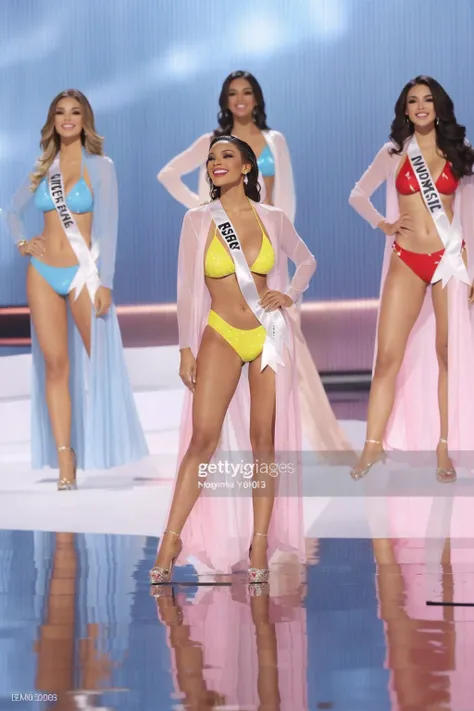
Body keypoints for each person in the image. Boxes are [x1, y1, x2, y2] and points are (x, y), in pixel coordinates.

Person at [149, 135, 317, 584]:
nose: (216, 163)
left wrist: (291, 293)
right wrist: (187, 348)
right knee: (203, 439)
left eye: (226, 156)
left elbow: (306, 261)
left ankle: (259, 542)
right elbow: (188, 288)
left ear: (247, 167)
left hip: (268, 333)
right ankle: (170, 538)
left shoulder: (273, 218)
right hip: (221, 331)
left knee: (265, 441)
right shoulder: (198, 220)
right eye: (211, 159)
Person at [158, 69, 351, 456]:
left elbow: (286, 201)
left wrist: (283, 258)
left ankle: (303, 442)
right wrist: (203, 210)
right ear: (225, 101)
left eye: (247, 92)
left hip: (267, 257)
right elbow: (168, 175)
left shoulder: (274, 141)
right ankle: (226, 450)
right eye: (233, 93)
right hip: (224, 254)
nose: (240, 99)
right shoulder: (212, 143)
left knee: (284, 351)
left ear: (257, 98)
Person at [6, 89, 148, 489]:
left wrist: (107, 282)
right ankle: (66, 460)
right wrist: (22, 241)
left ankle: (109, 444)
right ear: (52, 120)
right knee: (55, 367)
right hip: (42, 271)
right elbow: (11, 210)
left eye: (75, 112)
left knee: (100, 359)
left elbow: (110, 228)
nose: (67, 118)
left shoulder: (101, 167)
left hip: (83, 274)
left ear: (86, 119)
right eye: (60, 112)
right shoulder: (42, 166)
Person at [349, 75, 474, 481]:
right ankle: (372, 446)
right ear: (405, 109)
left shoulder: (458, 154)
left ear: (439, 107)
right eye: (413, 101)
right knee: (388, 356)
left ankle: (444, 448)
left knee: (446, 355)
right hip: (407, 259)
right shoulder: (393, 152)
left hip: (448, 261)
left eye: (428, 100)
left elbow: (468, 211)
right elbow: (358, 194)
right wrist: (385, 225)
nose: (421, 107)